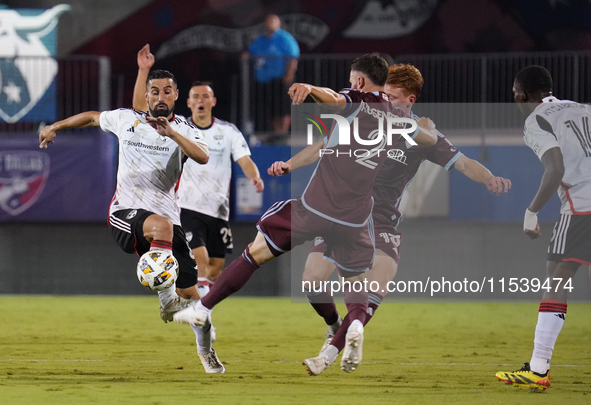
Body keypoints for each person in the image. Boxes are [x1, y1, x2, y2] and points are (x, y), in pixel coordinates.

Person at [173, 53, 439, 373]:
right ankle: (350, 327)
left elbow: (335, 98)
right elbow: (428, 139)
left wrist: (309, 87)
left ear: (359, 80)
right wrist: (427, 131)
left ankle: (204, 307)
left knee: (256, 253)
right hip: (354, 220)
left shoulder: (360, 100)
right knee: (339, 283)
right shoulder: (400, 121)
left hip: (326, 209)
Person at [275, 64, 511, 375]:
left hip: (382, 220)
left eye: (393, 97)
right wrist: (289, 165)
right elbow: (322, 146)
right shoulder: (366, 115)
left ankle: (328, 354)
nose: (385, 100)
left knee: (376, 287)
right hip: (343, 214)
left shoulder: (424, 135)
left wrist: (489, 178)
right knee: (312, 282)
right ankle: (337, 327)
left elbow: (463, 163)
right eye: (383, 93)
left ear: (410, 100)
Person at [38, 69, 225, 374]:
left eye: (167, 91)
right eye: (155, 91)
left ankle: (207, 355)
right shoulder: (128, 119)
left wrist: (172, 134)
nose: (160, 96)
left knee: (195, 301)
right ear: (147, 95)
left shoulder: (186, 130)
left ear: (176, 96)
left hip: (167, 220)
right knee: (162, 229)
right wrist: (56, 126)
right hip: (125, 213)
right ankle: (166, 301)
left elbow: (203, 156)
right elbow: (92, 117)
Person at [134, 45, 264, 297]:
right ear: (188, 101)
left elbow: (243, 158)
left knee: (216, 267)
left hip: (218, 210)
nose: (201, 100)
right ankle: (200, 312)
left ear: (213, 101)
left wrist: (254, 177)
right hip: (187, 207)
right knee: (200, 262)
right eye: (196, 96)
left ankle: (181, 297)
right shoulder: (177, 129)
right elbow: (140, 110)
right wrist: (144, 71)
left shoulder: (228, 131)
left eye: (206, 96)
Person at [495, 65, 591, 391]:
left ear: (521, 95)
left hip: (582, 205)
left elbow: (555, 168)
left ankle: (538, 369)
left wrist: (531, 211)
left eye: (513, 96)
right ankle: (539, 365)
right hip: (580, 204)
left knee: (557, 277)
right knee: (555, 271)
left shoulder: (536, 119)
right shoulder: (583, 109)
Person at [245, 13, 300, 134]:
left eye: (273, 22)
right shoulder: (262, 39)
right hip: (265, 80)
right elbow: (251, 51)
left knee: (283, 108)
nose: (270, 24)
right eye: (268, 22)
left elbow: (292, 57)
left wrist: (289, 75)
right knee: (272, 108)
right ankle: (277, 133)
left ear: (278, 24)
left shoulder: (284, 38)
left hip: (281, 78)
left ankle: (283, 132)